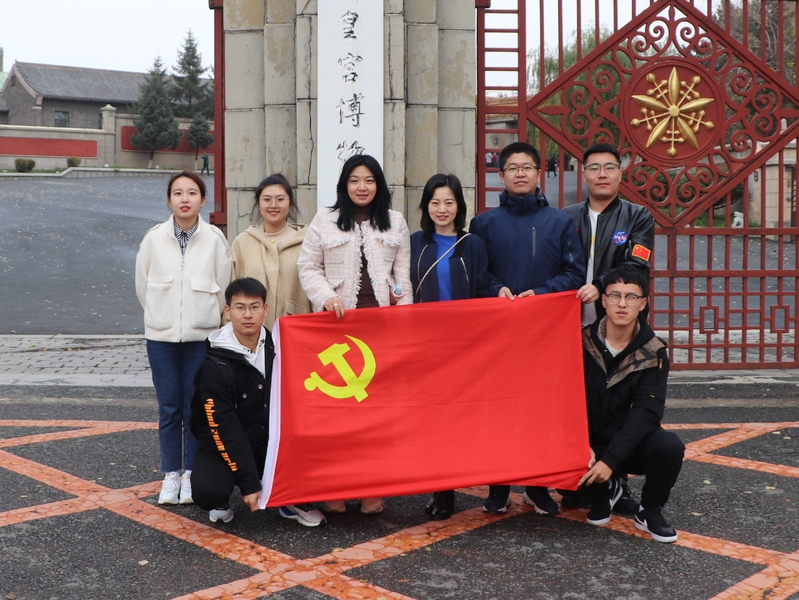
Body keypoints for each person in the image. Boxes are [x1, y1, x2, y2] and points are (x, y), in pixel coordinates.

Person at [469, 141, 585, 516]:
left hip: (545, 334)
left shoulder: (559, 222)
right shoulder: (484, 223)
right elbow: (476, 274)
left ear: (539, 173)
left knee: (541, 409)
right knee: (497, 409)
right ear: (501, 175)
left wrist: (543, 293)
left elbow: (574, 272)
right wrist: (494, 288)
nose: (520, 173)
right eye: (512, 168)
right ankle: (498, 485)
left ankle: (537, 486)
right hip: (498, 334)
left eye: (527, 167)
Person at [298, 154, 412, 514]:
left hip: (380, 332)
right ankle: (335, 489)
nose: (362, 187)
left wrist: (403, 322)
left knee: (376, 416)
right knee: (337, 416)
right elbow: (307, 267)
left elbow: (403, 277)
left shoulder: (395, 221)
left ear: (379, 185)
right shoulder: (325, 220)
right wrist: (326, 296)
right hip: (336, 331)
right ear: (344, 185)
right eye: (354, 180)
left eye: (369, 180)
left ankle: (371, 490)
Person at [563, 143, 655, 514]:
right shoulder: (566, 217)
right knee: (578, 402)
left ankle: (616, 478)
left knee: (615, 402)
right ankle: (579, 475)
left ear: (620, 172)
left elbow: (636, 266)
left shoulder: (638, 216)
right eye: (594, 167)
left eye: (610, 167)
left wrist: (600, 286)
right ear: (583, 173)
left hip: (615, 322)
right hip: (569, 324)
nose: (602, 174)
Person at [188, 277, 325, 526]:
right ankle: (223, 498)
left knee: (320, 464)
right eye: (240, 307)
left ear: (265, 309)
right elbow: (224, 428)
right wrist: (249, 483)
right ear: (227, 311)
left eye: (254, 307)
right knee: (208, 491)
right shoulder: (214, 365)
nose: (248, 315)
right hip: (223, 442)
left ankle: (290, 499)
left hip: (270, 440)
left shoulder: (282, 347)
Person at [135, 170, 231, 506]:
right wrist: (160, 317)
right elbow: (143, 287)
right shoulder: (153, 238)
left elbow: (223, 288)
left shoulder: (215, 239)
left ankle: (191, 473)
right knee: (168, 408)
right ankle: (170, 474)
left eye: (192, 193)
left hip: (200, 339)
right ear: (169, 200)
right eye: (178, 193)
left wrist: (207, 322)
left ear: (203, 200)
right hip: (160, 338)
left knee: (196, 408)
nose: (185, 199)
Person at [576, 266, 684, 543]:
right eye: (615, 295)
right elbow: (566, 399)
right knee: (573, 495)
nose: (622, 304)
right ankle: (606, 489)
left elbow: (648, 413)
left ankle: (649, 510)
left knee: (669, 447)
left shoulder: (653, 351)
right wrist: (577, 443)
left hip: (628, 444)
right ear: (603, 300)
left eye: (631, 297)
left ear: (643, 303)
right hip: (588, 443)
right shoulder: (580, 342)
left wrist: (610, 461)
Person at [410, 173, 490, 520]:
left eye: (449, 202)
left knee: (457, 419)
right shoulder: (415, 243)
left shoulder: (473, 245)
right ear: (426, 206)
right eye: (435, 202)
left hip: (462, 346)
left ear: (459, 206)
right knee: (431, 418)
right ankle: (438, 485)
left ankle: (450, 486)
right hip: (425, 346)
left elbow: (483, 291)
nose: (442, 209)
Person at [231, 173, 311, 330]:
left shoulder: (307, 242)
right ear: (258, 203)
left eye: (280, 199)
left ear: (290, 203)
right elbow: (232, 291)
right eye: (267, 199)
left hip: (295, 331)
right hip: (251, 332)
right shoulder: (243, 242)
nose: (273, 205)